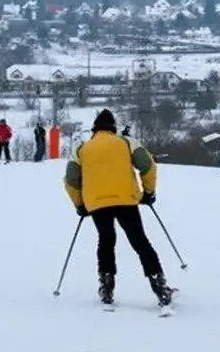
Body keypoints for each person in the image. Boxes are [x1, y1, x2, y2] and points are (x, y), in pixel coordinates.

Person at [63, 109, 176, 309]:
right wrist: (148, 192)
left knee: (106, 241)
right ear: (113, 128)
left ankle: (106, 286)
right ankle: (159, 285)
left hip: (97, 203)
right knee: (140, 241)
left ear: (94, 129)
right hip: (126, 200)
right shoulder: (125, 142)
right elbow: (148, 165)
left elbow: (71, 179)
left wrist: (80, 204)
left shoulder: (82, 148)